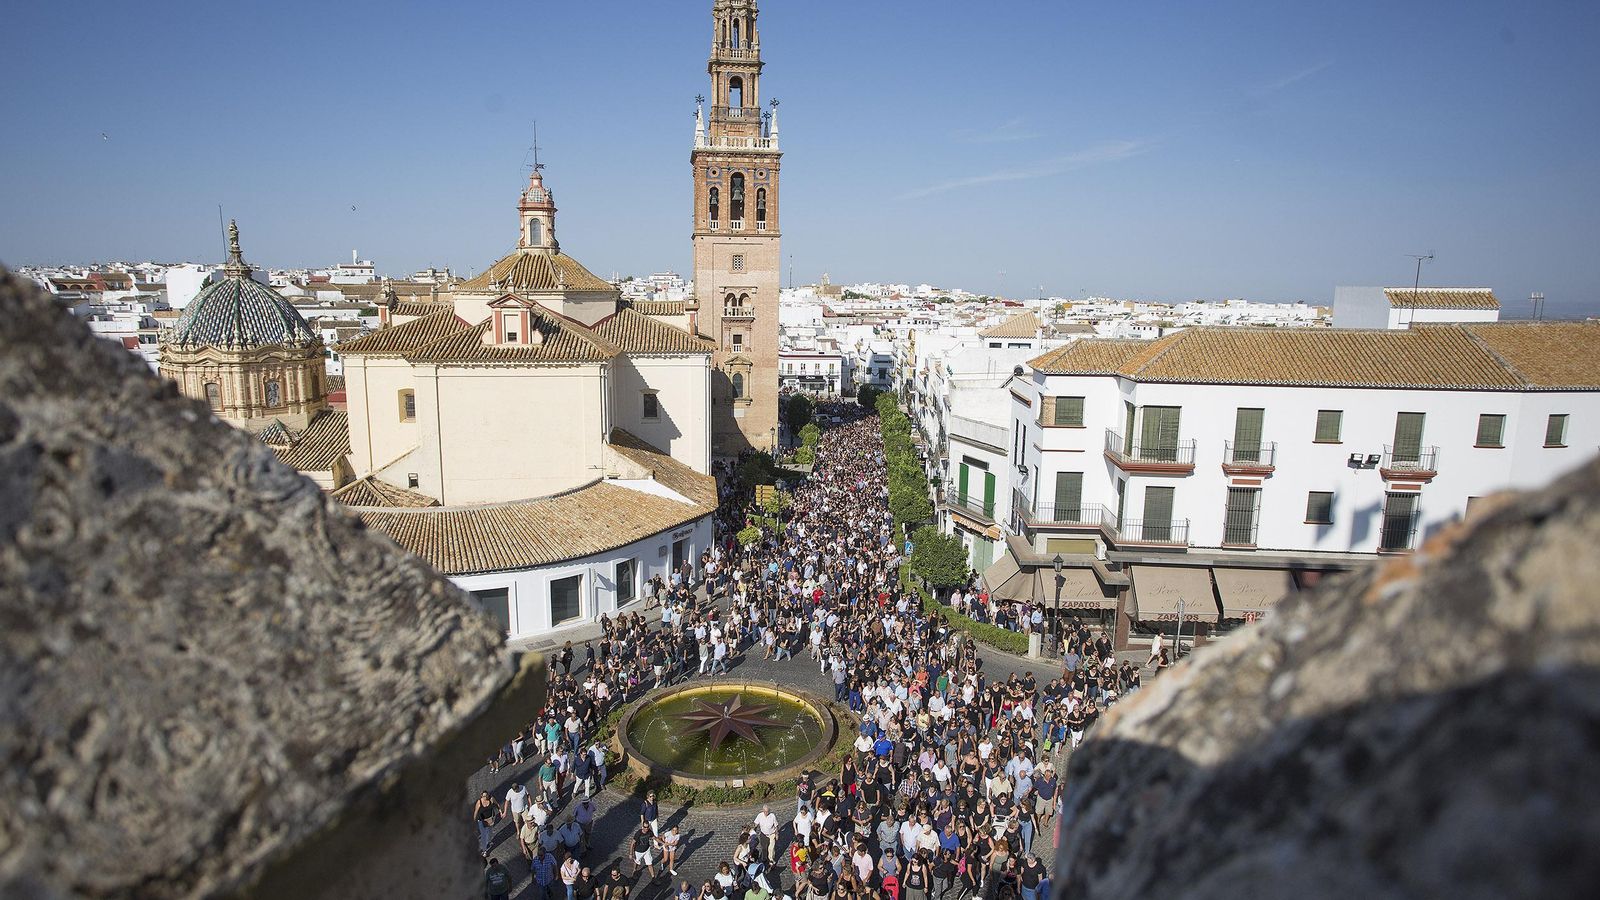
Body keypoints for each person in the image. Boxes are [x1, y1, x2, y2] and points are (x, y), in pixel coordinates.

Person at [474, 790, 499, 857]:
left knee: (490, 832)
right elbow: (476, 811)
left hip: (490, 819)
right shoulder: (479, 802)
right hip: (481, 821)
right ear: (481, 796)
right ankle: (485, 851)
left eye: (486, 795)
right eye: (484, 796)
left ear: (488, 795)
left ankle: (489, 842)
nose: (485, 797)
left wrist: (500, 811)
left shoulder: (491, 799)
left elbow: (497, 805)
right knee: (483, 835)